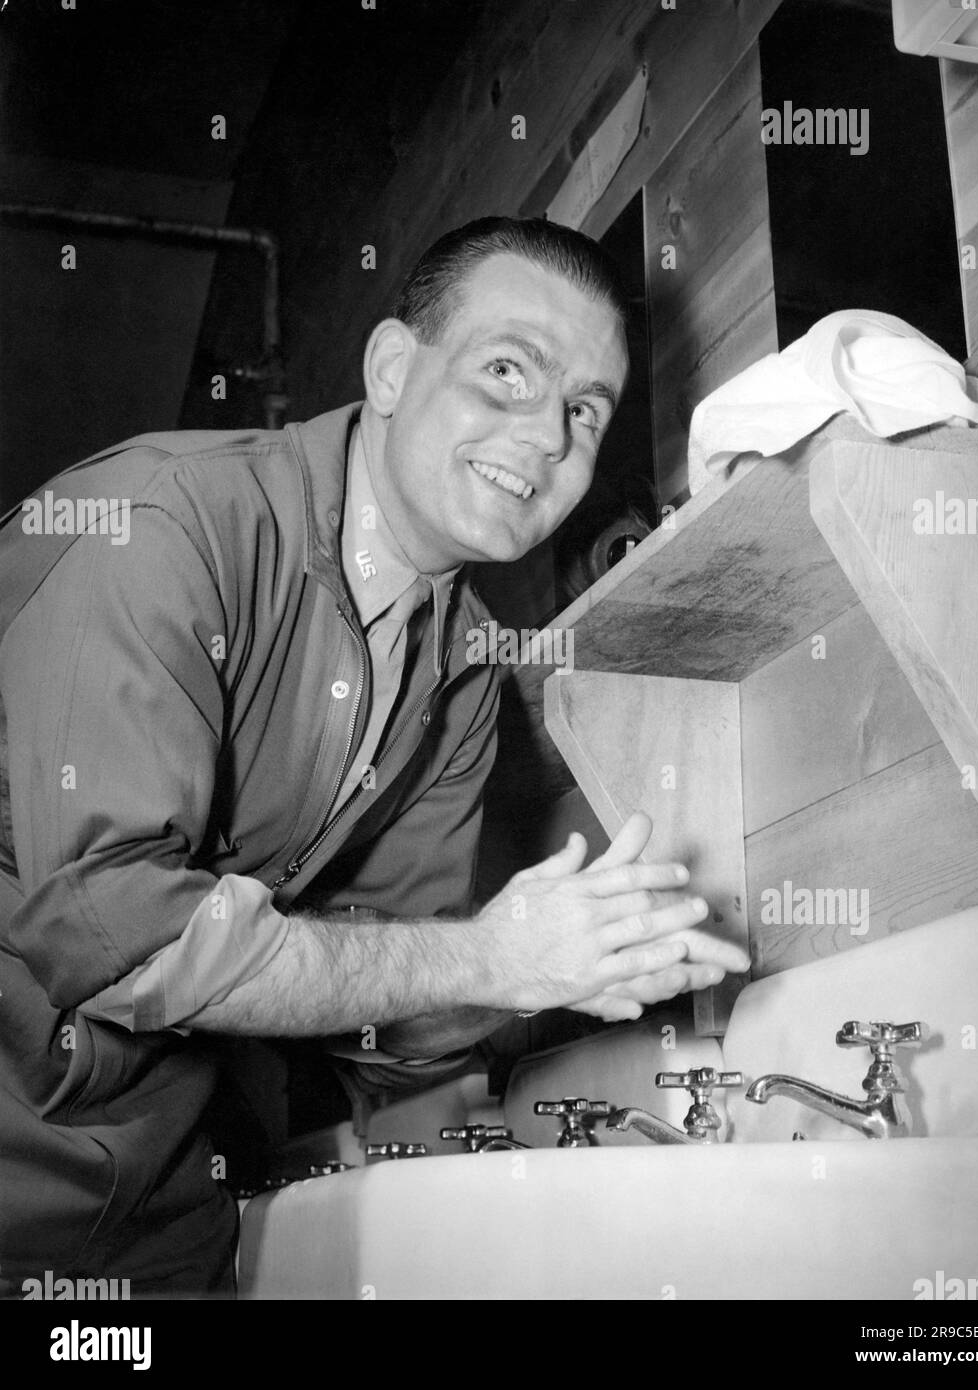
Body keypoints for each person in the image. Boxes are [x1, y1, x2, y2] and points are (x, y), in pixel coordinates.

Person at [0, 217, 749, 1296]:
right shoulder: (162, 527)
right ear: (393, 367)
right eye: (506, 371)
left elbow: (386, 1010)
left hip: (157, 1195)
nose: (545, 437)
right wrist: (498, 959)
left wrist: (568, 969)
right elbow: (117, 937)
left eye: (582, 410)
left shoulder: (462, 674)